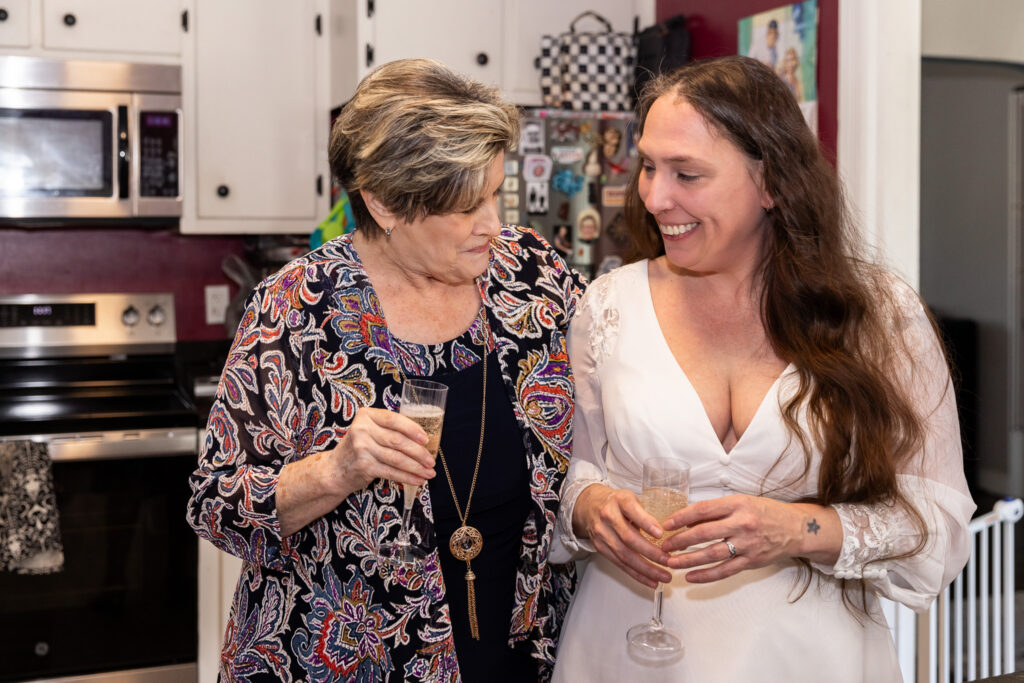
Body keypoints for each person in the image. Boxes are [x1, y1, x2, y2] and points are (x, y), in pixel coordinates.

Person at [550, 56, 974, 682]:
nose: (654, 196)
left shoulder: (879, 315)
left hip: (810, 657)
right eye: (647, 165)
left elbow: (935, 523)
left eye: (686, 173)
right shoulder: (608, 304)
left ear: (772, 182)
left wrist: (802, 528)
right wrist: (590, 505)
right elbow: (569, 470)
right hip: (628, 650)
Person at [187, 58, 586, 682]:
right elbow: (216, 504)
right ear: (384, 204)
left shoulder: (531, 278)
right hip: (338, 662)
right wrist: (335, 470)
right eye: (465, 208)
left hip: (518, 651)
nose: (493, 225)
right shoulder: (296, 307)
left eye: (495, 195)